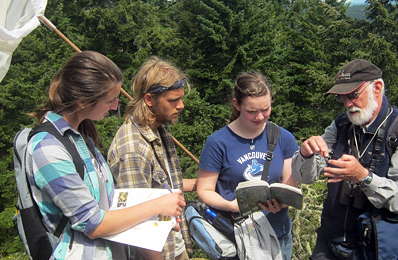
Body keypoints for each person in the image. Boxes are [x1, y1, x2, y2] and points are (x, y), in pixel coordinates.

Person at [26, 51, 186, 260]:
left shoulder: (81, 137)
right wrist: (157, 206)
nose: (115, 106)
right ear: (84, 101)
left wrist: (155, 221)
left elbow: (110, 203)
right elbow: (92, 223)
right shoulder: (47, 148)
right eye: (110, 99)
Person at [291, 59, 398, 259]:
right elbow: (305, 177)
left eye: (353, 95)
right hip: (329, 242)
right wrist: (305, 154)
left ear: (377, 88)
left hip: (374, 248)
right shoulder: (341, 125)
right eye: (342, 98)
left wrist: (364, 177)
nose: (347, 104)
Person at [197, 71, 299, 260]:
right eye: (251, 111)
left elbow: (289, 184)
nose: (260, 117)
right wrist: (232, 206)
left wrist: (282, 201)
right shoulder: (218, 142)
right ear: (237, 105)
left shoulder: (283, 138)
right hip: (239, 235)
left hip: (278, 233)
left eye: (266, 109)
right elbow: (204, 190)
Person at [108, 56, 192, 260]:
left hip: (174, 246)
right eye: (173, 100)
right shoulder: (133, 150)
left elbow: (163, 185)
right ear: (149, 100)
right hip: (159, 254)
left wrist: (202, 184)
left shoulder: (158, 130)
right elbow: (138, 228)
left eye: (181, 98)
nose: (180, 105)